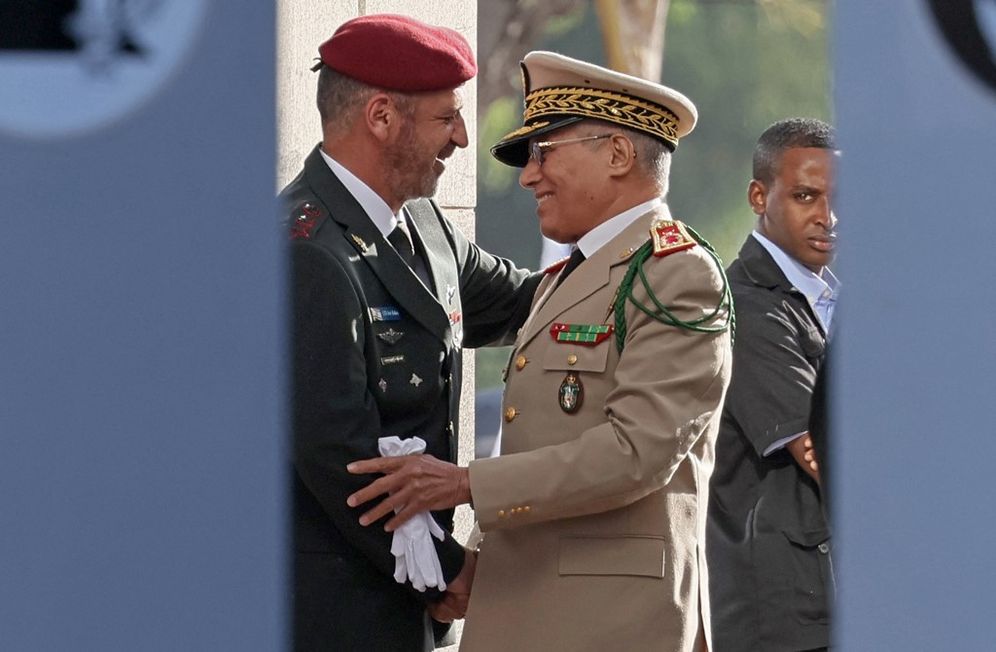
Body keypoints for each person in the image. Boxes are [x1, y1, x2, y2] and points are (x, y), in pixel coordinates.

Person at [347, 50, 734, 651]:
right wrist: (477, 556)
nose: (528, 176)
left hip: (612, 623)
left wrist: (463, 484)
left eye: (544, 153)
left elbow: (636, 452)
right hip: (527, 603)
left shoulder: (677, 275)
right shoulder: (568, 276)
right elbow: (537, 441)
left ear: (618, 154)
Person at [281, 14, 538, 652]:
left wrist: (638, 268)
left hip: (406, 604)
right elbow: (340, 457)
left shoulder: (424, 223)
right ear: (380, 117)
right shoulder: (305, 252)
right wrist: (448, 570)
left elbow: (521, 302)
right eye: (445, 118)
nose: (461, 137)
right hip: (333, 611)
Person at [706, 117, 839, 651]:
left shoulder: (830, 297)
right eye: (806, 196)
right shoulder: (748, 303)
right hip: (781, 614)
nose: (829, 217)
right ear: (759, 197)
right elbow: (820, 452)